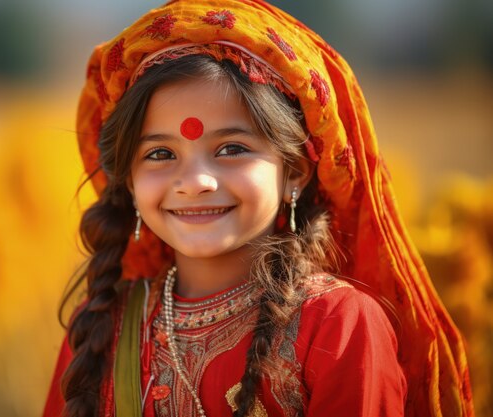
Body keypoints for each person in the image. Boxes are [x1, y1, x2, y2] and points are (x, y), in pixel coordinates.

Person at [44, 1, 474, 416]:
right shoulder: (101, 329)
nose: (195, 182)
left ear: (295, 172)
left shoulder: (337, 327)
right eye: (159, 154)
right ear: (130, 182)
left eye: (231, 148)